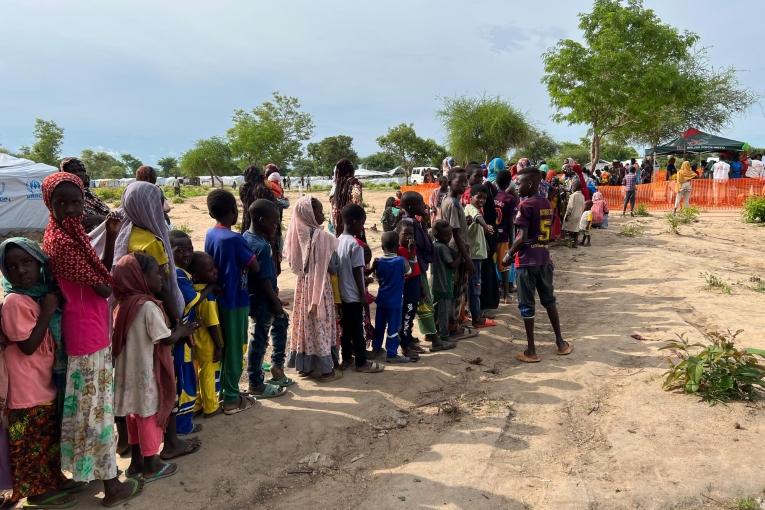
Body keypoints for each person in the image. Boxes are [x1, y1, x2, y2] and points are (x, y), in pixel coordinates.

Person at [39, 172, 143, 506]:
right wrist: (106, 274)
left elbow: (101, 271)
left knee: (93, 407)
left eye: (76, 202)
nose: (71, 209)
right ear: (49, 205)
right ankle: (111, 484)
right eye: (62, 203)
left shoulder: (74, 236)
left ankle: (94, 472)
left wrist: (110, 238)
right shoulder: (62, 243)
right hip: (85, 334)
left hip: (93, 327)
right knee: (94, 410)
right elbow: (102, 284)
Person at [112, 181, 198, 457]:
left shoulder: (125, 234)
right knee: (164, 378)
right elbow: (162, 285)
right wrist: (179, 323)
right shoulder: (151, 241)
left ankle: (130, 442)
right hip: (156, 315)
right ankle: (170, 442)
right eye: (159, 201)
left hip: (128, 313)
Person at [0, 240, 75, 509]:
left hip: (42, 384)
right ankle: (36, 492)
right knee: (30, 443)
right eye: (11, 267)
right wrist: (46, 310)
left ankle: (53, 478)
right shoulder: (15, 301)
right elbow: (28, 345)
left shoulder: (37, 294)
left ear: (39, 263)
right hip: (25, 389)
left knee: (47, 439)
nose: (20, 271)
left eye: (26, 262)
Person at [112, 253, 197, 483]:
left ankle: (136, 463)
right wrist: (183, 331)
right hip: (147, 373)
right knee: (148, 414)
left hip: (125, 375)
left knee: (133, 416)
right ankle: (152, 464)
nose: (160, 278)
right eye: (155, 273)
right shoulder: (147, 307)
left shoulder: (121, 306)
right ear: (140, 277)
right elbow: (165, 338)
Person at [503, 167, 573, 363]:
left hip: (526, 262)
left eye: (519, 183)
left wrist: (508, 254)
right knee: (549, 300)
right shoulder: (546, 204)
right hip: (543, 258)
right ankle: (560, 342)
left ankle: (531, 350)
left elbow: (521, 237)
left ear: (531, 184)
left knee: (527, 305)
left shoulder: (525, 206)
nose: (516, 186)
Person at [204, 189, 259, 415]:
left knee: (224, 346)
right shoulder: (234, 239)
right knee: (236, 348)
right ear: (233, 212)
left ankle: (225, 390)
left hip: (218, 298)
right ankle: (231, 399)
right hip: (236, 299)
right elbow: (253, 265)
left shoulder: (211, 234)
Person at [283, 197, 342, 381]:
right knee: (321, 325)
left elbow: (293, 263)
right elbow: (334, 266)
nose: (322, 214)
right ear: (309, 214)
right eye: (319, 211)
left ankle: (305, 366)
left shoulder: (295, 234)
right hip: (320, 287)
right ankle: (327, 370)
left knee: (306, 326)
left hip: (303, 287)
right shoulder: (323, 237)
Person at [243, 200, 291, 398]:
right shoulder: (261, 246)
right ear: (261, 220)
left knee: (278, 323)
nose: (276, 226)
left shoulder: (246, 237)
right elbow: (263, 279)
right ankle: (256, 382)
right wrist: (275, 302)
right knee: (260, 338)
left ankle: (276, 369)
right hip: (263, 299)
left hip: (259, 297)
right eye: (273, 222)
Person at [169, 231, 215, 429]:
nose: (187, 254)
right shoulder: (179, 275)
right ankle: (183, 424)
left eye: (190, 249)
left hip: (185, 335)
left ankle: (186, 418)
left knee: (187, 376)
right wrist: (209, 289)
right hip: (181, 337)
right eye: (181, 251)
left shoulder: (180, 273)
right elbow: (193, 300)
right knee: (184, 379)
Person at [399, 192, 454, 352]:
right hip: (416, 269)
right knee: (425, 303)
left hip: (419, 267)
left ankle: (426, 334)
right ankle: (435, 340)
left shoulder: (415, 222)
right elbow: (419, 247)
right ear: (410, 207)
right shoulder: (409, 224)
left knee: (421, 302)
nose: (424, 206)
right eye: (420, 204)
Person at [337, 204, 384, 373]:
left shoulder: (338, 241)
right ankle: (362, 363)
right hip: (354, 295)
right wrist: (363, 294)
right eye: (362, 222)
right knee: (357, 330)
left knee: (346, 330)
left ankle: (347, 359)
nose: (362, 227)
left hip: (341, 295)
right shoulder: (355, 246)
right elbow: (358, 271)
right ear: (354, 221)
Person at [184, 251, 224, 417]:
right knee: (207, 374)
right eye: (209, 270)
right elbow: (213, 325)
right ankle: (211, 406)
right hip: (208, 343)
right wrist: (219, 346)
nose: (215, 271)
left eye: (214, 267)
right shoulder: (208, 299)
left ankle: (198, 404)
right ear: (196, 275)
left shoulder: (193, 292)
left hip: (196, 342)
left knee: (199, 372)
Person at [441, 168, 476, 340]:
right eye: (460, 181)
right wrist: (467, 258)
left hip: (456, 250)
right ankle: (453, 328)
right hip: (457, 251)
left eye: (465, 182)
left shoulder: (451, 201)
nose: (464, 185)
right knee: (456, 291)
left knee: (456, 290)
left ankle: (452, 324)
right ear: (449, 183)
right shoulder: (453, 203)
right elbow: (455, 232)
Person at [369, 232, 410, 363]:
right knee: (393, 327)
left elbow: (376, 277)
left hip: (382, 300)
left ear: (382, 246)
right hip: (395, 302)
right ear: (397, 245)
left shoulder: (378, 262)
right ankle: (392, 353)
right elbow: (409, 271)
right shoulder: (400, 261)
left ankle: (376, 348)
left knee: (380, 325)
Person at [464, 185, 495, 328]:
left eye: (484, 198)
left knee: (472, 286)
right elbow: (477, 218)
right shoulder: (470, 208)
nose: (481, 200)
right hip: (474, 256)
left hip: (477, 255)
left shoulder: (476, 209)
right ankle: (477, 319)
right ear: (471, 197)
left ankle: (470, 314)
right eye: (479, 197)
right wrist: (486, 226)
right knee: (475, 287)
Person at [59, 156, 111, 232]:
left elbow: (109, 215)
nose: (78, 173)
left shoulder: (88, 194)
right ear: (64, 174)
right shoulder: (62, 196)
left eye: (81, 170)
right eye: (73, 171)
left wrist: (99, 218)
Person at [430, 220, 461, 346]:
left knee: (436, 309)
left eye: (450, 235)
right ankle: (444, 335)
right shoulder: (442, 248)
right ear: (437, 235)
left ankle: (432, 333)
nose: (449, 238)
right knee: (444, 312)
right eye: (446, 235)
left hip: (435, 283)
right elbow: (452, 265)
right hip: (444, 284)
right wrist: (461, 255)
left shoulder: (435, 244)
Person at [395, 222, 422, 361]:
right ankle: (405, 345)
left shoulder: (412, 248)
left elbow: (417, 270)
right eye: (405, 234)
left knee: (411, 316)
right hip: (407, 288)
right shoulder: (399, 252)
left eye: (411, 234)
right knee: (406, 316)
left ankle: (409, 339)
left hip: (415, 285)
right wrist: (411, 253)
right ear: (398, 235)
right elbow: (408, 272)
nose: (409, 237)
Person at [494, 170, 518, 301]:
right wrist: (512, 240)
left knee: (492, 265)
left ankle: (495, 291)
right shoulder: (510, 199)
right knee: (504, 266)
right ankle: (506, 294)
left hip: (490, 236)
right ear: (509, 182)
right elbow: (510, 222)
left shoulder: (491, 195)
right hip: (503, 237)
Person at [330, 159, 363, 237]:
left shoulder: (337, 184)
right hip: (352, 221)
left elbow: (332, 202)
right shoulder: (355, 183)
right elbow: (357, 201)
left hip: (338, 221)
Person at [563, 179, 585, 245]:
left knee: (569, 229)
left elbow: (570, 207)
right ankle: (575, 242)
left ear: (574, 187)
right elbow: (583, 206)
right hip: (579, 215)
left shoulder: (573, 196)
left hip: (572, 215)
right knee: (576, 229)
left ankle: (570, 242)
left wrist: (567, 215)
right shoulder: (582, 196)